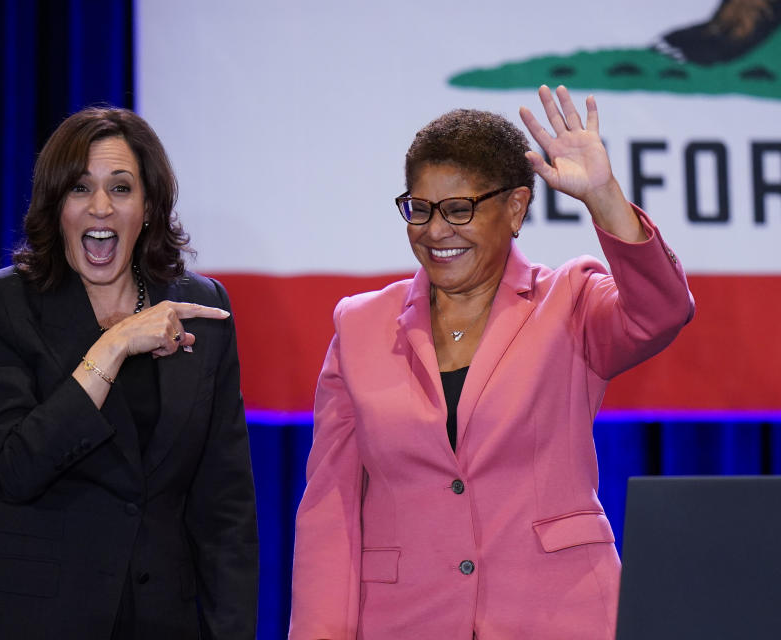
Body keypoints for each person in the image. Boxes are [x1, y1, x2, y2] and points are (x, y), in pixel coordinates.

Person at [289, 85, 694, 639]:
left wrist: (604, 197)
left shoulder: (569, 300)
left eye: (458, 210)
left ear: (516, 207)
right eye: (419, 209)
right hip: (408, 621)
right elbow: (330, 512)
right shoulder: (359, 325)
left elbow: (662, 312)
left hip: (559, 616)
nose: (435, 231)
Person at [0, 107, 258, 639]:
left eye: (121, 188)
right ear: (56, 205)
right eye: (80, 188)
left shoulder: (201, 305)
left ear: (149, 207)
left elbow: (225, 507)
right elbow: (17, 467)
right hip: (27, 619)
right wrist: (114, 346)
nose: (100, 207)